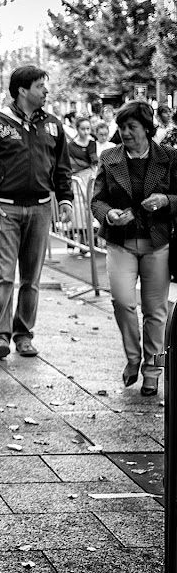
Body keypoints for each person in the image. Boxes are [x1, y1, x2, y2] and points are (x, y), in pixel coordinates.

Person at [0, 65, 74, 360]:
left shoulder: (53, 125)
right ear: (22, 90)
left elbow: (62, 168)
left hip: (40, 209)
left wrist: (65, 199)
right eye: (41, 86)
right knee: (3, 275)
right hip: (4, 209)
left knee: (32, 278)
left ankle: (24, 335)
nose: (46, 91)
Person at [91, 100, 177, 396]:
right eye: (122, 127)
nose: (125, 133)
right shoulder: (109, 156)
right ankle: (132, 358)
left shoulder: (168, 157)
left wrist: (166, 201)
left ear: (147, 128)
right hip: (121, 243)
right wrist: (108, 214)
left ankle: (152, 370)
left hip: (158, 243)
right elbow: (97, 199)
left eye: (132, 127)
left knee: (155, 311)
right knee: (122, 302)